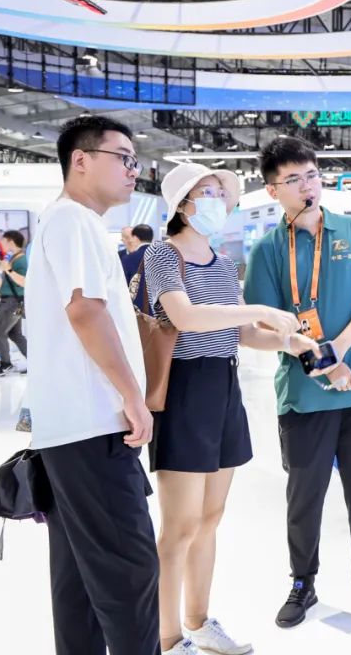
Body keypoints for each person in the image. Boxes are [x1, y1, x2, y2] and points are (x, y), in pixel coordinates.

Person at [145, 163, 318, 655]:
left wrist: (288, 342)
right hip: (183, 390)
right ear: (182, 204)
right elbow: (185, 317)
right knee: (179, 526)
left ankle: (199, 622)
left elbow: (238, 332)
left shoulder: (222, 262)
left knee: (210, 517)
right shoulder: (163, 254)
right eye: (206, 191)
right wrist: (260, 310)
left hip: (223, 386)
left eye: (221, 192)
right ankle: (167, 637)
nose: (217, 200)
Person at [243, 135, 351, 631]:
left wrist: (340, 348)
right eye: (293, 180)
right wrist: (319, 358)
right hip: (304, 396)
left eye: (312, 175)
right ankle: (302, 583)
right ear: (272, 191)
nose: (307, 186)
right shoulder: (267, 250)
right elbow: (263, 325)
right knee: (303, 498)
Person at [27, 115, 159, 653]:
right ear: (80, 160)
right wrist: (132, 396)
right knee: (129, 572)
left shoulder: (66, 221)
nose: (133, 170)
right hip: (93, 427)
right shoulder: (73, 219)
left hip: (71, 430)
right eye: (123, 158)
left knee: (80, 579)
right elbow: (85, 311)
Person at [0, 229, 28, 377]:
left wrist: (9, 270)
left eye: (3, 240)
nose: (1, 243)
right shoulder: (14, 258)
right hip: (15, 303)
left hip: (12, 303)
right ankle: (36, 362)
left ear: (11, 242)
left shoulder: (21, 260)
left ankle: (6, 364)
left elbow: (24, 282)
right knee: (15, 334)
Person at [123, 224, 155, 310]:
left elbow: (124, 285)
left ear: (135, 238)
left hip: (137, 310)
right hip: (161, 309)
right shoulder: (162, 257)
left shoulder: (128, 258)